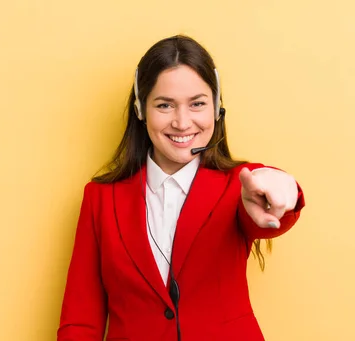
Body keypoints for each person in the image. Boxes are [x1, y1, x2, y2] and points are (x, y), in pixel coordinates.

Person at [57, 34, 305, 341]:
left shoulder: (241, 185)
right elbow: (81, 320)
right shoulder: (100, 199)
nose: (182, 122)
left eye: (197, 104)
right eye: (164, 105)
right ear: (140, 109)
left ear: (216, 108)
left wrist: (286, 191)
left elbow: (268, 200)